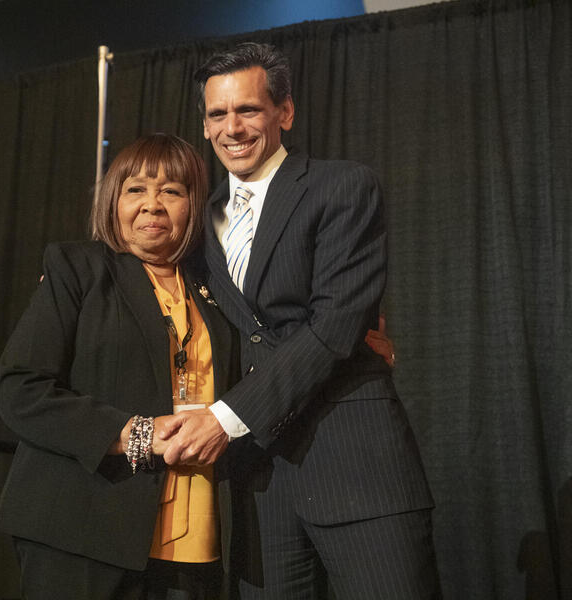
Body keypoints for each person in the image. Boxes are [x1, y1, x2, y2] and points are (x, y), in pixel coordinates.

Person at [0, 133, 398, 599]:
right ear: (113, 202)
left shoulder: (218, 289)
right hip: (84, 531)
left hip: (196, 541)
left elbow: (281, 352)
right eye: (136, 190)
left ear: (196, 206)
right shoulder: (77, 269)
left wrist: (356, 348)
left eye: (172, 191)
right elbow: (21, 389)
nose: (152, 205)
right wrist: (131, 434)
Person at [158, 43, 441, 598]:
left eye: (249, 110)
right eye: (217, 114)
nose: (232, 128)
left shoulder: (343, 187)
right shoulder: (196, 222)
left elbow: (335, 323)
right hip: (256, 486)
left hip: (356, 466)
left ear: (284, 112)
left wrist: (227, 418)